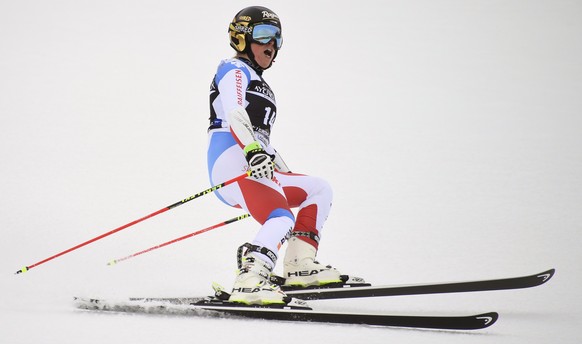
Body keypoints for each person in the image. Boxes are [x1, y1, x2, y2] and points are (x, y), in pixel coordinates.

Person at [206, 6, 345, 305]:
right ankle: (251, 278)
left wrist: (278, 166)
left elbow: (260, 136)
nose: (271, 45)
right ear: (242, 37)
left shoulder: (262, 83)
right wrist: (254, 152)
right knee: (280, 217)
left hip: (254, 158)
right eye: (264, 35)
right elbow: (234, 113)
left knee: (319, 189)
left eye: (277, 39)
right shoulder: (233, 69)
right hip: (231, 159)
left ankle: (299, 265)